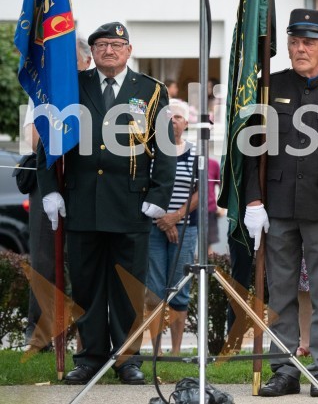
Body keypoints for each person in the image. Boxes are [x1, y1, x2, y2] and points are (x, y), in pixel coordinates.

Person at [38, 22, 176, 385]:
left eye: (116, 44)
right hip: (82, 203)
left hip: (131, 204)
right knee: (86, 286)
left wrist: (159, 195)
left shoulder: (150, 91)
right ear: (92, 52)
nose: (109, 50)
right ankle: (89, 359)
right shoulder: (74, 87)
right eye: (101, 45)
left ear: (129, 50)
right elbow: (50, 140)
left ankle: (127, 359)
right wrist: (51, 189)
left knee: (129, 288)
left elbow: (165, 148)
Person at [243, 8, 318, 397]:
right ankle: (284, 370)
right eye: (294, 42)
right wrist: (253, 201)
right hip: (277, 208)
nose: (300, 49)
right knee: (280, 294)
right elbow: (252, 152)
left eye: (309, 43)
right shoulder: (268, 86)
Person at [24, 35, 92, 352]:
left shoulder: (94, 91)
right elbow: (33, 139)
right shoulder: (42, 91)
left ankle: (83, 337)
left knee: (84, 261)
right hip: (47, 179)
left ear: (85, 61)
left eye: (70, 61)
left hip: (85, 182)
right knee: (44, 262)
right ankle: (39, 335)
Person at [145, 99, 199, 356]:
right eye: (168, 117)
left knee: (179, 289)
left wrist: (175, 217)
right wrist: (163, 220)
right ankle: (155, 352)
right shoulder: (150, 152)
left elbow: (200, 191)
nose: (172, 122)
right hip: (154, 227)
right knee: (154, 291)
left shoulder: (196, 153)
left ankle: (176, 351)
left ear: (186, 123)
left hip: (186, 229)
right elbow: (145, 188)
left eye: (177, 117)